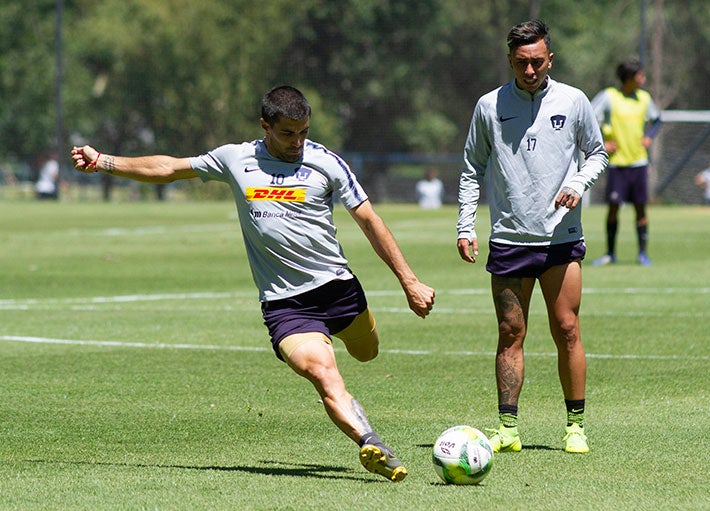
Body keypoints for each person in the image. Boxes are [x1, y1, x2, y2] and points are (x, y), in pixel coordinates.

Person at [71, 85, 435, 482]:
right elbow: (170, 168)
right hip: (286, 305)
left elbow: (369, 220)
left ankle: (359, 381)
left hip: (337, 288)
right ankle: (372, 442)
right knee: (323, 373)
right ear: (265, 125)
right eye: (287, 133)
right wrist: (104, 161)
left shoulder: (325, 163)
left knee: (367, 353)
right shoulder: (235, 158)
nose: (297, 142)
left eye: (304, 133)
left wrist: (409, 281)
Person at [456, 20, 607, 455]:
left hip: (561, 239)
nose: (529, 70)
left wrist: (577, 185)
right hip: (508, 239)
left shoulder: (574, 100)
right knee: (510, 332)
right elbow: (471, 169)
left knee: (567, 328)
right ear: (509, 60)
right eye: (521, 62)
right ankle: (508, 429)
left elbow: (597, 154)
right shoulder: (488, 106)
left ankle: (574, 427)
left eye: (537, 61)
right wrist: (465, 225)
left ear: (550, 59)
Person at [590, 59, 662, 266]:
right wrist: (602, 142)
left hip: (638, 163)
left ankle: (642, 254)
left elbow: (657, 120)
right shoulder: (609, 96)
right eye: (640, 75)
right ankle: (610, 253)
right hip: (617, 164)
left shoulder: (644, 98)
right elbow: (588, 116)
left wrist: (649, 137)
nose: (643, 79)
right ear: (629, 78)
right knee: (613, 208)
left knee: (641, 209)